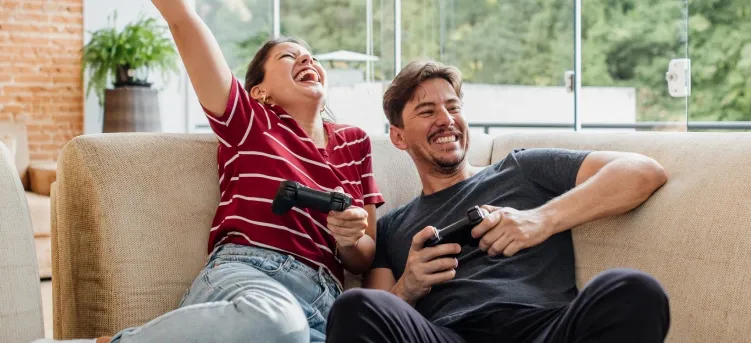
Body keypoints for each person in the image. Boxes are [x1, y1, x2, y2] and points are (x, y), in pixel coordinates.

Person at [36, 1, 384, 343]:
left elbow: (364, 257)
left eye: (312, 56)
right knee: (279, 323)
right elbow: (184, 22)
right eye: (288, 56)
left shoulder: (355, 143)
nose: (308, 58)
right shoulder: (251, 122)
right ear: (260, 93)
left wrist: (350, 238)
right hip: (251, 274)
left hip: (328, 302)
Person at [325, 60, 671, 343]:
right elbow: (374, 310)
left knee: (633, 289)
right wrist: (409, 286)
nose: (446, 119)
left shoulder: (522, 168)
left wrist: (539, 220)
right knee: (356, 305)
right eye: (427, 111)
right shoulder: (392, 226)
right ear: (398, 136)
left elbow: (642, 172)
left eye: (453, 107)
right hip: (449, 335)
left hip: (546, 330)